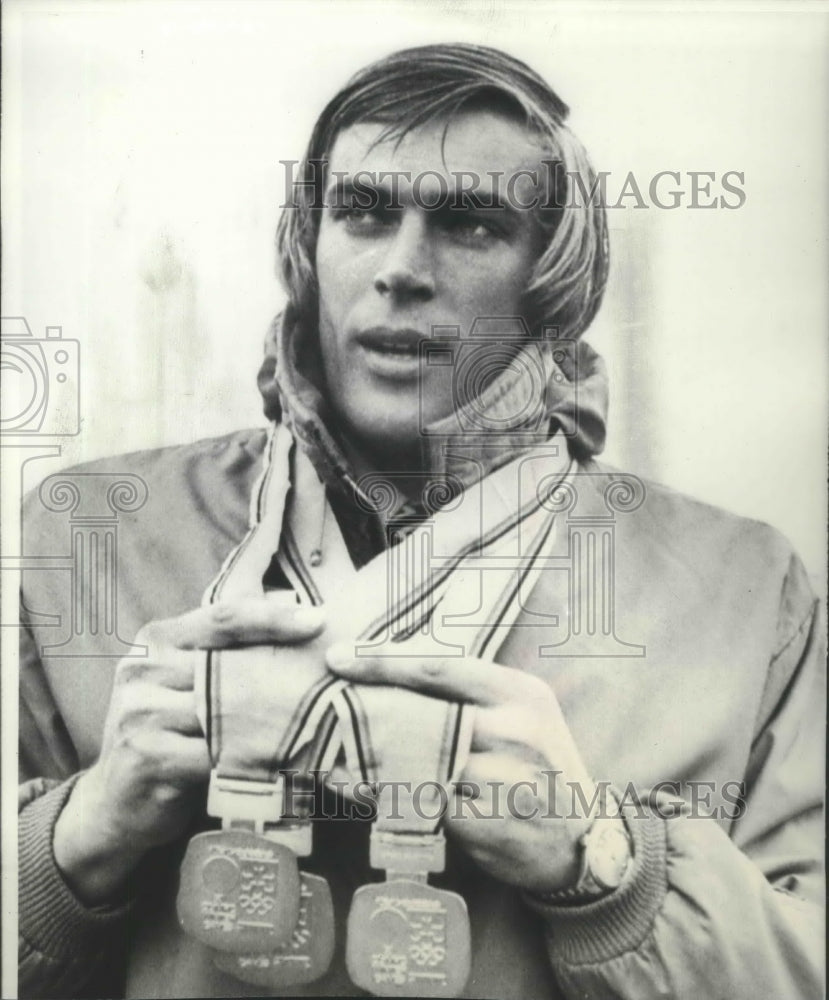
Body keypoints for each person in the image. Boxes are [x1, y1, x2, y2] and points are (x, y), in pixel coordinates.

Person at [18, 43, 823, 999]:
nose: (401, 268)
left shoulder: (740, 590)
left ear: (551, 282)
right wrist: (74, 842)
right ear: (307, 250)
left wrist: (605, 866)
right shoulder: (79, 538)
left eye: (471, 224)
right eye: (361, 212)